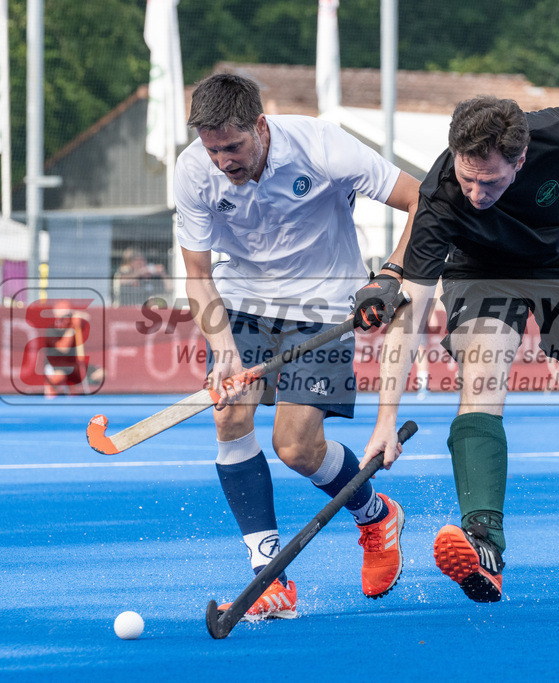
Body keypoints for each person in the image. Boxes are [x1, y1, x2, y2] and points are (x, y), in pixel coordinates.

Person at [363, 97, 559, 607]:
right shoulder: (441, 196)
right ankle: (483, 545)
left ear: (520, 159)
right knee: (482, 370)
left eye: (489, 182)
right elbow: (413, 311)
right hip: (482, 273)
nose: (474, 193)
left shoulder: (556, 129)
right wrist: (387, 417)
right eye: (467, 179)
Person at [174, 73, 420, 620]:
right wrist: (224, 350)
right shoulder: (194, 169)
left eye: (233, 147)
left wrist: (392, 274)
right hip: (241, 300)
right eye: (213, 149)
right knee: (229, 415)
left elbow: (419, 198)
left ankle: (376, 515)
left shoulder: (321, 144)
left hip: (323, 305)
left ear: (260, 126)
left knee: (296, 447)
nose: (222, 162)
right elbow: (196, 273)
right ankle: (270, 576)